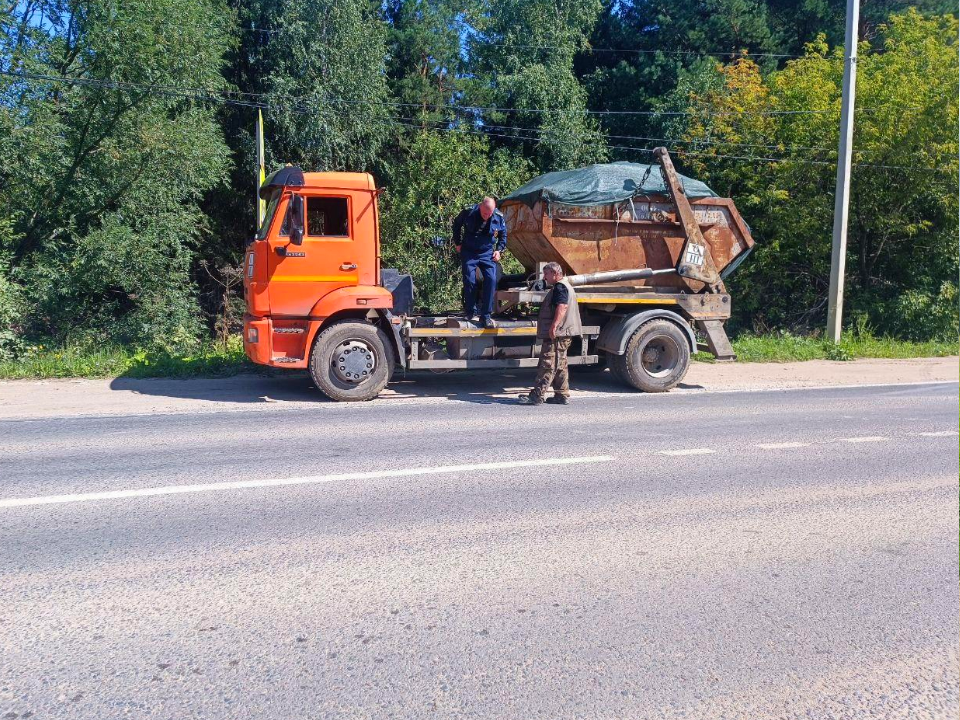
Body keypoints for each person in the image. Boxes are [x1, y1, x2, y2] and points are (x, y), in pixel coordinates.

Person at [519, 262, 582, 405]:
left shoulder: (560, 287)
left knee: (548, 363)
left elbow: (562, 306)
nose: (545, 277)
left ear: (555, 273)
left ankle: (536, 396)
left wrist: (554, 326)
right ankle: (561, 395)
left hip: (558, 333)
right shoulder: (565, 285)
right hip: (563, 332)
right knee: (560, 363)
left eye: (546, 274)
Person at [452, 197, 507, 329]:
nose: (487, 216)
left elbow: (503, 235)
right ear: (480, 206)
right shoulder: (468, 212)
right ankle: (470, 312)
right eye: (484, 213)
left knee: (491, 279)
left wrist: (499, 250)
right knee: (470, 280)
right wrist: (457, 243)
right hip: (469, 251)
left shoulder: (498, 216)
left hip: (486, 252)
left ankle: (486, 316)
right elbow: (456, 224)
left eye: (489, 214)